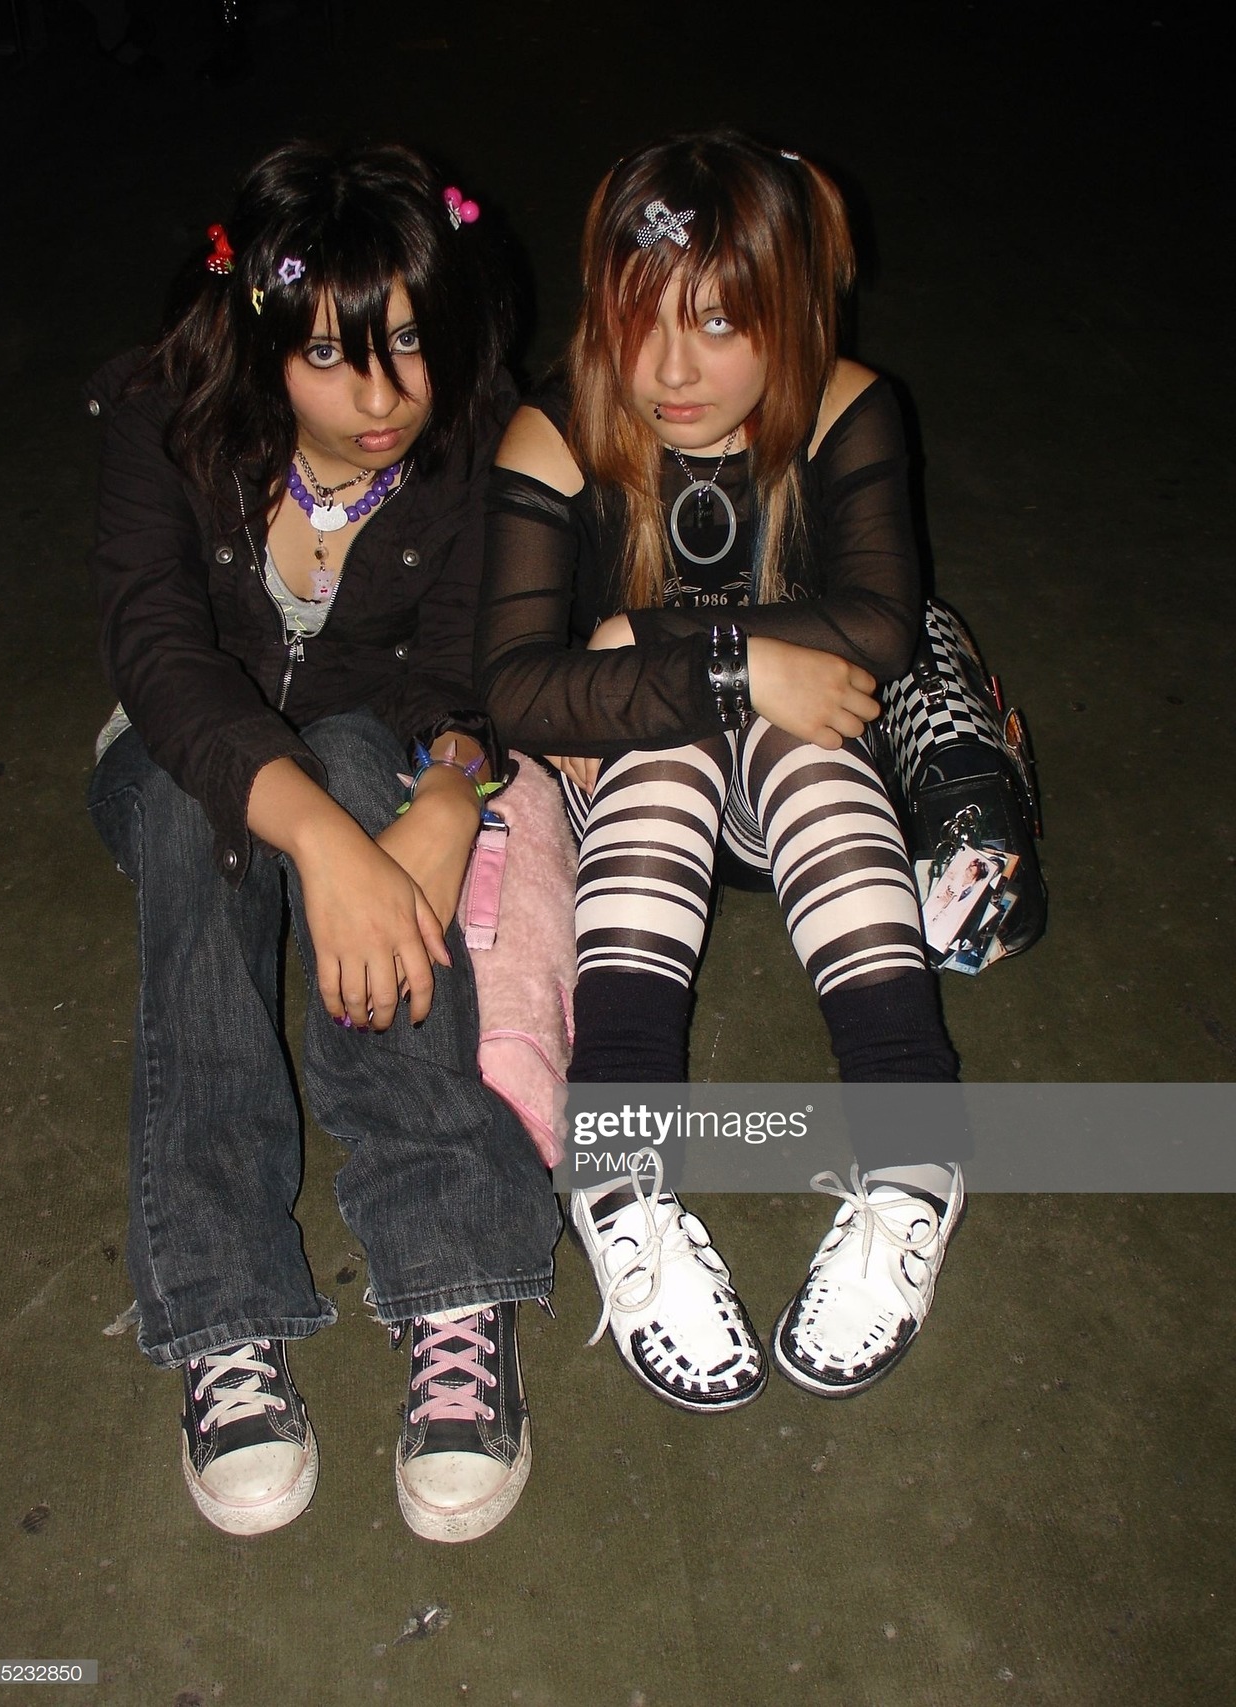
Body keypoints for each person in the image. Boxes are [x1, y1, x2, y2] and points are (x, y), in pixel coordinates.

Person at [86, 140, 559, 1543]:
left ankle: (453, 1277)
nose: (382, 397)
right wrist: (329, 847)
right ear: (259, 343)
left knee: (364, 756)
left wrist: (447, 791)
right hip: (180, 763)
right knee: (197, 806)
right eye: (333, 357)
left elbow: (474, 661)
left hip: (377, 748)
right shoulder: (160, 414)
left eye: (409, 342)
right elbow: (162, 661)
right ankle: (225, 1311)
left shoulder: (476, 436)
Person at [478, 129, 964, 1415]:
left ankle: (913, 1162)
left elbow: (879, 625)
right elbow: (515, 687)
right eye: (641, 322)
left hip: (806, 803)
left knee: (806, 754)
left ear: (789, 316)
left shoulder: (849, 405)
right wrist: (732, 674)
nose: (672, 370)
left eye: (719, 323)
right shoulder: (554, 429)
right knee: (675, 738)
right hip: (639, 795)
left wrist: (649, 634)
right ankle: (619, 1178)